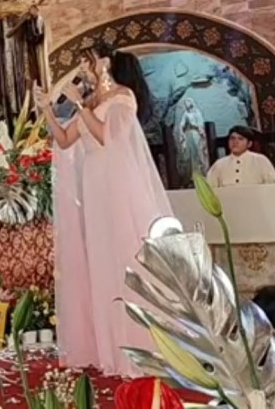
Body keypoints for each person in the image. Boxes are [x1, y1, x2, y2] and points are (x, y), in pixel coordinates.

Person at [33, 43, 173, 377]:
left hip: (118, 186)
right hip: (95, 187)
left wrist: (80, 103)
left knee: (124, 256)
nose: (84, 67)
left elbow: (109, 137)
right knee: (101, 259)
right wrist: (48, 111)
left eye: (89, 61)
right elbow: (67, 140)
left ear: (106, 63)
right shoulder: (94, 102)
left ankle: (137, 345)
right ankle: (105, 346)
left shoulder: (122, 97)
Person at [207, 126, 275, 188]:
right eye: (232, 138)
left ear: (249, 144)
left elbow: (274, 187)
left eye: (240, 139)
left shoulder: (261, 160)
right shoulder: (219, 164)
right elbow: (209, 190)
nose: (235, 142)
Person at [175, 98, 208, 182]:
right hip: (189, 134)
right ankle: (192, 175)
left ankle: (201, 173)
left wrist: (197, 127)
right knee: (190, 154)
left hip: (196, 134)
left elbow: (200, 124)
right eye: (185, 103)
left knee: (198, 153)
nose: (187, 104)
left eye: (188, 102)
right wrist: (182, 129)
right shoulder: (186, 114)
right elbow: (181, 124)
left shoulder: (197, 113)